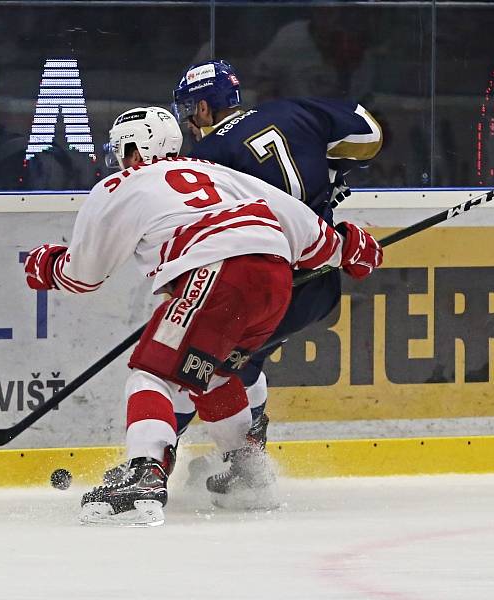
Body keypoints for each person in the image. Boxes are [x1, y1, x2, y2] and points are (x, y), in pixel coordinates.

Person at [23, 106, 383, 525]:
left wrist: (46, 265)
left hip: (216, 272)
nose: (119, 160)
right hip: (274, 280)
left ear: (136, 148)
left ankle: (144, 473)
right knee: (211, 376)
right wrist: (349, 249)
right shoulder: (217, 172)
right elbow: (302, 226)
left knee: (152, 374)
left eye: (121, 150)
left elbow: (83, 276)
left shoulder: (123, 184)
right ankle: (250, 475)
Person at [170, 59, 383, 504]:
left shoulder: (205, 160)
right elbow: (368, 134)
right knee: (243, 362)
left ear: (206, 108)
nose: (188, 120)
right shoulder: (294, 111)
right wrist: (327, 174)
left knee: (193, 367)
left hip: (263, 288)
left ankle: (150, 464)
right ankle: (248, 458)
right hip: (320, 282)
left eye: (190, 110)